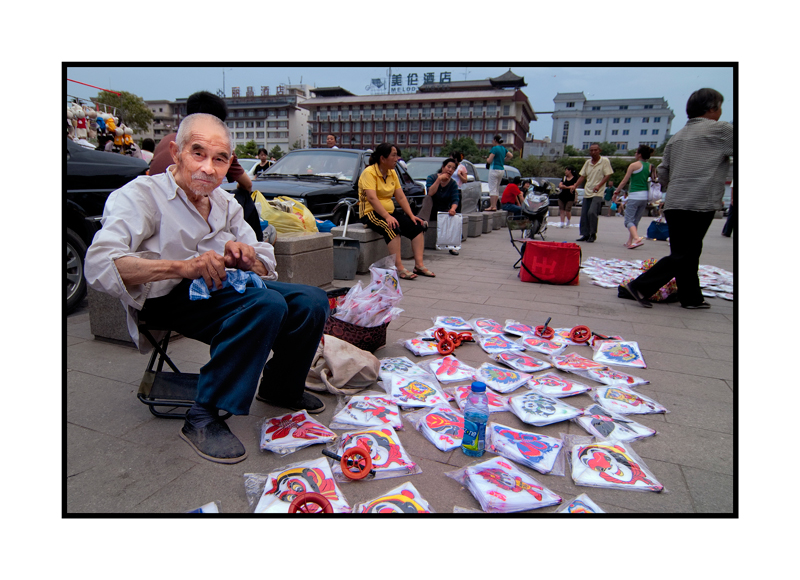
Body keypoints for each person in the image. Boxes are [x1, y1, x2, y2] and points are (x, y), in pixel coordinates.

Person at [84, 113, 330, 464]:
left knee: (312, 300)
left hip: (221, 288)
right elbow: (101, 263)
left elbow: (264, 260)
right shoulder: (142, 196)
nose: (209, 169)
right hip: (166, 296)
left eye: (219, 159)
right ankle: (202, 415)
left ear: (230, 162)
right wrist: (182, 267)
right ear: (177, 151)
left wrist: (245, 258)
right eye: (198, 154)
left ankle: (281, 386)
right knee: (266, 304)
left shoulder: (226, 203)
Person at [622, 88, 733, 310]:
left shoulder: (677, 137)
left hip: (675, 202)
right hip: (699, 201)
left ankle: (691, 297)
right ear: (711, 108)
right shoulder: (721, 130)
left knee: (686, 251)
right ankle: (640, 285)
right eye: (719, 107)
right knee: (686, 253)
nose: (720, 112)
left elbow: (663, 173)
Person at [149, 91, 252, 194]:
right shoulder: (217, 149)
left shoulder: (165, 140)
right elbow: (247, 185)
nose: (208, 169)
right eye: (198, 154)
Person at [358, 143, 433, 279]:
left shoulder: (392, 173)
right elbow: (372, 198)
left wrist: (411, 216)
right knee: (392, 227)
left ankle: (419, 265)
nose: (397, 159)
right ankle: (398, 268)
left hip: (389, 213)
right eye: (393, 155)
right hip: (370, 213)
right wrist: (387, 217)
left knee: (417, 226)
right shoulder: (369, 173)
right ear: (383, 158)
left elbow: (400, 196)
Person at [613, 145, 657, 248]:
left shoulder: (634, 165)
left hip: (634, 195)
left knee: (628, 220)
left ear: (639, 154)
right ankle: (630, 242)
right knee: (635, 221)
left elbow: (624, 181)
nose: (635, 154)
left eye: (636, 152)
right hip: (645, 196)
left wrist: (616, 192)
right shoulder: (650, 166)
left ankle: (637, 239)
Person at [573, 143, 613, 242]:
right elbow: (583, 176)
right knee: (584, 214)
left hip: (597, 192)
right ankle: (585, 234)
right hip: (588, 191)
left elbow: (607, 175)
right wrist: (575, 186)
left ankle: (592, 234)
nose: (593, 152)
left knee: (592, 212)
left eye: (595, 150)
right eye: (591, 150)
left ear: (600, 150)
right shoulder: (588, 163)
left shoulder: (604, 161)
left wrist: (599, 185)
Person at [422, 157, 461, 255]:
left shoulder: (453, 184)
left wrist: (452, 209)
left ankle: (453, 246)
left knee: (454, 214)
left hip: (444, 209)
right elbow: (430, 193)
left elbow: (455, 199)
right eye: (448, 167)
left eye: (453, 168)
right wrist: (439, 180)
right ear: (443, 167)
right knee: (427, 199)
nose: (450, 170)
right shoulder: (432, 178)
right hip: (431, 208)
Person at [485, 135, 513, 211]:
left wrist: (487, 159)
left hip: (494, 169)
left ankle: (492, 206)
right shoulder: (503, 148)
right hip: (501, 169)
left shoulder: (494, 149)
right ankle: (495, 205)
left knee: (492, 188)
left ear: (495, 140)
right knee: (496, 188)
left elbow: (489, 160)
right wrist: (505, 159)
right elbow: (510, 155)